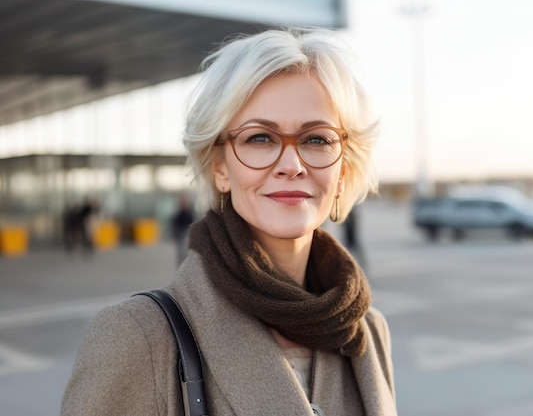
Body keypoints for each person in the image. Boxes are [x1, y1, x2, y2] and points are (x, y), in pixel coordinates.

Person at [62, 27, 397, 416]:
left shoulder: (367, 331)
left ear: (342, 170)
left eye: (317, 139)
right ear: (219, 166)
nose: (291, 164)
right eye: (259, 138)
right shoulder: (136, 336)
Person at [170, 194, 195, 266]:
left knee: (186, 252)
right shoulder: (178, 214)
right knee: (181, 253)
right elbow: (175, 226)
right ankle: (182, 265)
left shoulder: (189, 214)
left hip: (187, 235)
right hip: (181, 236)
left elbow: (192, 224)